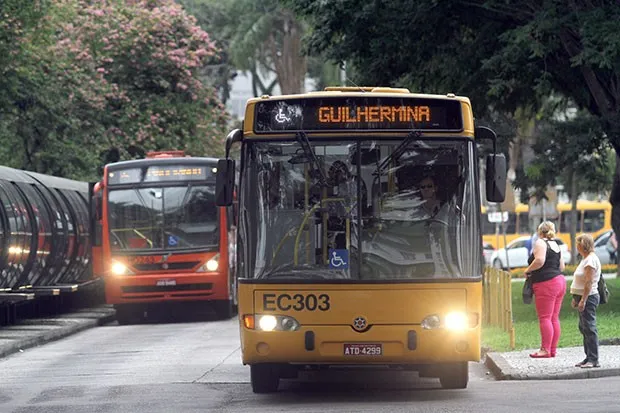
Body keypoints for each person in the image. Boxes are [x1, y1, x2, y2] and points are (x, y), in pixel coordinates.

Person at [523, 221, 566, 358]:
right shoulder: (556, 245)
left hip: (546, 284)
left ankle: (544, 349)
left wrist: (528, 270)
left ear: (539, 231)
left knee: (545, 318)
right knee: (554, 318)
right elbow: (562, 267)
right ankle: (552, 350)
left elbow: (540, 260)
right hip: (559, 282)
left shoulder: (541, 243)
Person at [570, 234, 602, 368]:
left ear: (582, 245)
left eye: (578, 244)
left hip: (589, 297)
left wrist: (583, 299)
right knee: (583, 327)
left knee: (589, 327)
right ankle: (588, 356)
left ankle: (593, 359)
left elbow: (588, 282)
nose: (576, 246)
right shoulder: (585, 259)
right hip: (582, 297)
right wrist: (575, 297)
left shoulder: (590, 260)